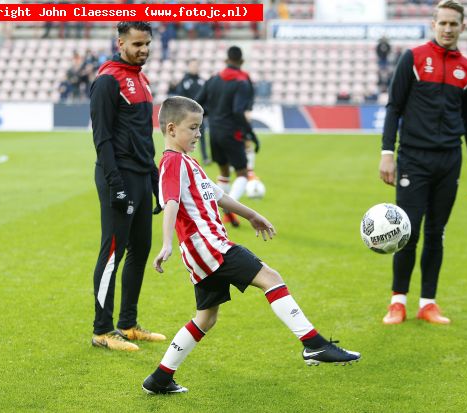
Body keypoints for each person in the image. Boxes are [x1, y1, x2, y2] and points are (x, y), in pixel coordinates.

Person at [140, 96, 361, 395]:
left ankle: (160, 378)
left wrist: (252, 214)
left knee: (206, 318)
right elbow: (170, 202)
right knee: (271, 278)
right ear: (170, 129)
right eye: (193, 128)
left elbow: (217, 195)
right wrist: (166, 243)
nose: (199, 134)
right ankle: (313, 344)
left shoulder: (187, 162)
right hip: (210, 246)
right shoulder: (172, 162)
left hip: (202, 251)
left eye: (199, 127)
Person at [379, 0, 467, 325]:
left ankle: (428, 303)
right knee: (407, 232)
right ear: (433, 24)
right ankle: (398, 301)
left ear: (463, 27)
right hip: (413, 158)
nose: (448, 29)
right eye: (443, 23)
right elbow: (394, 106)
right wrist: (387, 152)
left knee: (436, 233)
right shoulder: (413, 58)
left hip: (449, 161)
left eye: (454, 24)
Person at [89, 21, 165, 352]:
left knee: (141, 249)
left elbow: (143, 138)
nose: (143, 50)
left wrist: (154, 180)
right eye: (137, 44)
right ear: (120, 43)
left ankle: (128, 324)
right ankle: (102, 331)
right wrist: (115, 183)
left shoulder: (142, 79)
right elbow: (102, 138)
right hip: (116, 176)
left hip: (138, 175)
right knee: (112, 254)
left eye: (147, 44)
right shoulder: (108, 80)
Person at [196, 46, 259, 228]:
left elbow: (198, 103)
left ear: (226, 59)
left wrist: (213, 115)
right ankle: (229, 207)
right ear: (241, 61)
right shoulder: (242, 81)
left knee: (224, 173)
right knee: (242, 173)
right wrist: (250, 133)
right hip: (232, 132)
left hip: (214, 132)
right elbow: (239, 111)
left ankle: (221, 210)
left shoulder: (214, 79)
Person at [175, 59, 211, 165]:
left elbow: (207, 98)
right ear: (188, 67)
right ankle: (184, 158)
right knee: (186, 137)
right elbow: (180, 98)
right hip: (187, 116)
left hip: (200, 116)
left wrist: (205, 112)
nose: (194, 67)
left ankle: (205, 158)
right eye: (192, 65)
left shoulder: (202, 81)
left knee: (202, 136)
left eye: (196, 65)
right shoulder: (184, 82)